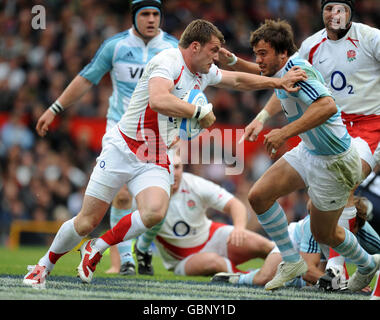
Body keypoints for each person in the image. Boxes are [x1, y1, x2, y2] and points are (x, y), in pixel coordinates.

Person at [23, 19, 306, 288]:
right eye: (213, 50)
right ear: (194, 46)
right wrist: (198, 111)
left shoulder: (202, 70)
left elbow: (237, 81)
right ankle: (43, 265)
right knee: (87, 220)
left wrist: (276, 83)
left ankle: (97, 247)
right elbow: (158, 100)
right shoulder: (167, 61)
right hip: (124, 147)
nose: (216, 57)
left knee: (155, 211)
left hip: (155, 155)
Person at [29, 0, 179, 277]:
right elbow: (87, 78)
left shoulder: (172, 48)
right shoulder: (116, 46)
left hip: (155, 136)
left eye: (155, 14)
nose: (151, 19)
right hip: (120, 132)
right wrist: (55, 108)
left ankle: (123, 252)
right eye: (144, 14)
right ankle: (125, 259)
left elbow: (189, 89)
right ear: (133, 17)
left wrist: (181, 131)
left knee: (154, 206)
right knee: (120, 196)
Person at [237, 19, 380, 291]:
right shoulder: (284, 72)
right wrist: (262, 116)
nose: (258, 60)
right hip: (309, 151)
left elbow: (326, 106)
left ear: (282, 54)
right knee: (258, 196)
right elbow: (263, 80)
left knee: (324, 233)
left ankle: (366, 263)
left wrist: (284, 132)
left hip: (335, 162)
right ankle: (292, 261)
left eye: (263, 54)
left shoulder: (300, 70)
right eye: (256, 53)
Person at [297, 0, 380, 281]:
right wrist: (261, 117)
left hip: (372, 127)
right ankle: (369, 258)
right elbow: (287, 80)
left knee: (341, 185)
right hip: (334, 129)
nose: (335, 14)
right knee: (315, 208)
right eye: (329, 8)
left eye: (341, 8)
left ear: (350, 12)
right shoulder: (310, 46)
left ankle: (336, 268)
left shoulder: (371, 38)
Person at [108, 151, 275, 276]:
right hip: (182, 259)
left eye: (178, 167)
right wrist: (123, 258)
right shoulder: (145, 192)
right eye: (168, 168)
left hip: (212, 235)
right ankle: (254, 277)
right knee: (214, 263)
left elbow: (235, 205)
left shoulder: (194, 183)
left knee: (265, 246)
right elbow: (121, 216)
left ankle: (292, 269)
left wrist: (239, 228)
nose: (174, 173)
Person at [212, 196, 380, 291]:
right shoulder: (316, 225)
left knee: (322, 284)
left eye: (350, 227)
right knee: (264, 278)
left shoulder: (364, 230)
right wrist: (347, 284)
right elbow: (308, 270)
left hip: (317, 256)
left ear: (358, 224)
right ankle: (238, 278)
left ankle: (293, 281)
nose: (344, 230)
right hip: (293, 241)